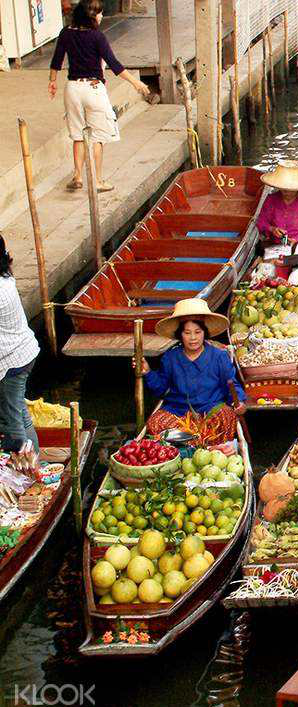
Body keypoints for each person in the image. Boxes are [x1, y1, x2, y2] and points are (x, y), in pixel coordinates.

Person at [48, 0, 151, 192]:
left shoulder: (66, 33)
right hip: (93, 89)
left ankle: (78, 176)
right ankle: (97, 181)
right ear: (91, 16)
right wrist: (136, 83)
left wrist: (52, 81)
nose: (102, 16)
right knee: (97, 137)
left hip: (72, 89)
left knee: (78, 136)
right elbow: (114, 64)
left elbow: (57, 60)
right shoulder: (97, 37)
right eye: (99, 14)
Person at [138, 299, 246, 439]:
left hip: (210, 410)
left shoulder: (219, 356)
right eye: (187, 333)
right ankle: (194, 442)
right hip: (179, 411)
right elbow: (161, 389)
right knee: (156, 424)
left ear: (204, 332)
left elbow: (231, 384)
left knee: (226, 417)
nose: (193, 338)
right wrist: (148, 372)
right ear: (180, 335)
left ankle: (195, 442)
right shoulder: (171, 357)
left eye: (197, 332)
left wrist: (239, 402)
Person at [0, 235, 40, 455]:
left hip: (11, 362)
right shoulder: (6, 277)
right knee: (20, 414)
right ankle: (36, 462)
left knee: (13, 420)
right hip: (23, 352)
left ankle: (28, 470)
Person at [255, 160, 298, 249]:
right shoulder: (271, 200)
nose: (285, 190)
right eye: (283, 187)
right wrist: (272, 229)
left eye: (289, 188)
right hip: (276, 245)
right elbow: (261, 222)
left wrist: (297, 238)